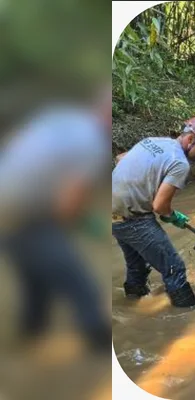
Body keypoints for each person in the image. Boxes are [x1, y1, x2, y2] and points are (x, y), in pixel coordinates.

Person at [0, 87, 112, 353]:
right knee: (81, 285)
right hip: (28, 214)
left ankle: (29, 337)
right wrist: (82, 224)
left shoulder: (58, 115)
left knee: (34, 278)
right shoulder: (93, 141)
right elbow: (68, 202)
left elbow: (15, 144)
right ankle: (100, 348)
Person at [111, 116, 195, 308]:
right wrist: (173, 216)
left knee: (137, 266)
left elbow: (120, 158)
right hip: (134, 220)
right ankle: (189, 316)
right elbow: (160, 207)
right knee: (174, 268)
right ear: (190, 139)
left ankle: (131, 307)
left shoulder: (152, 141)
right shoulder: (180, 163)